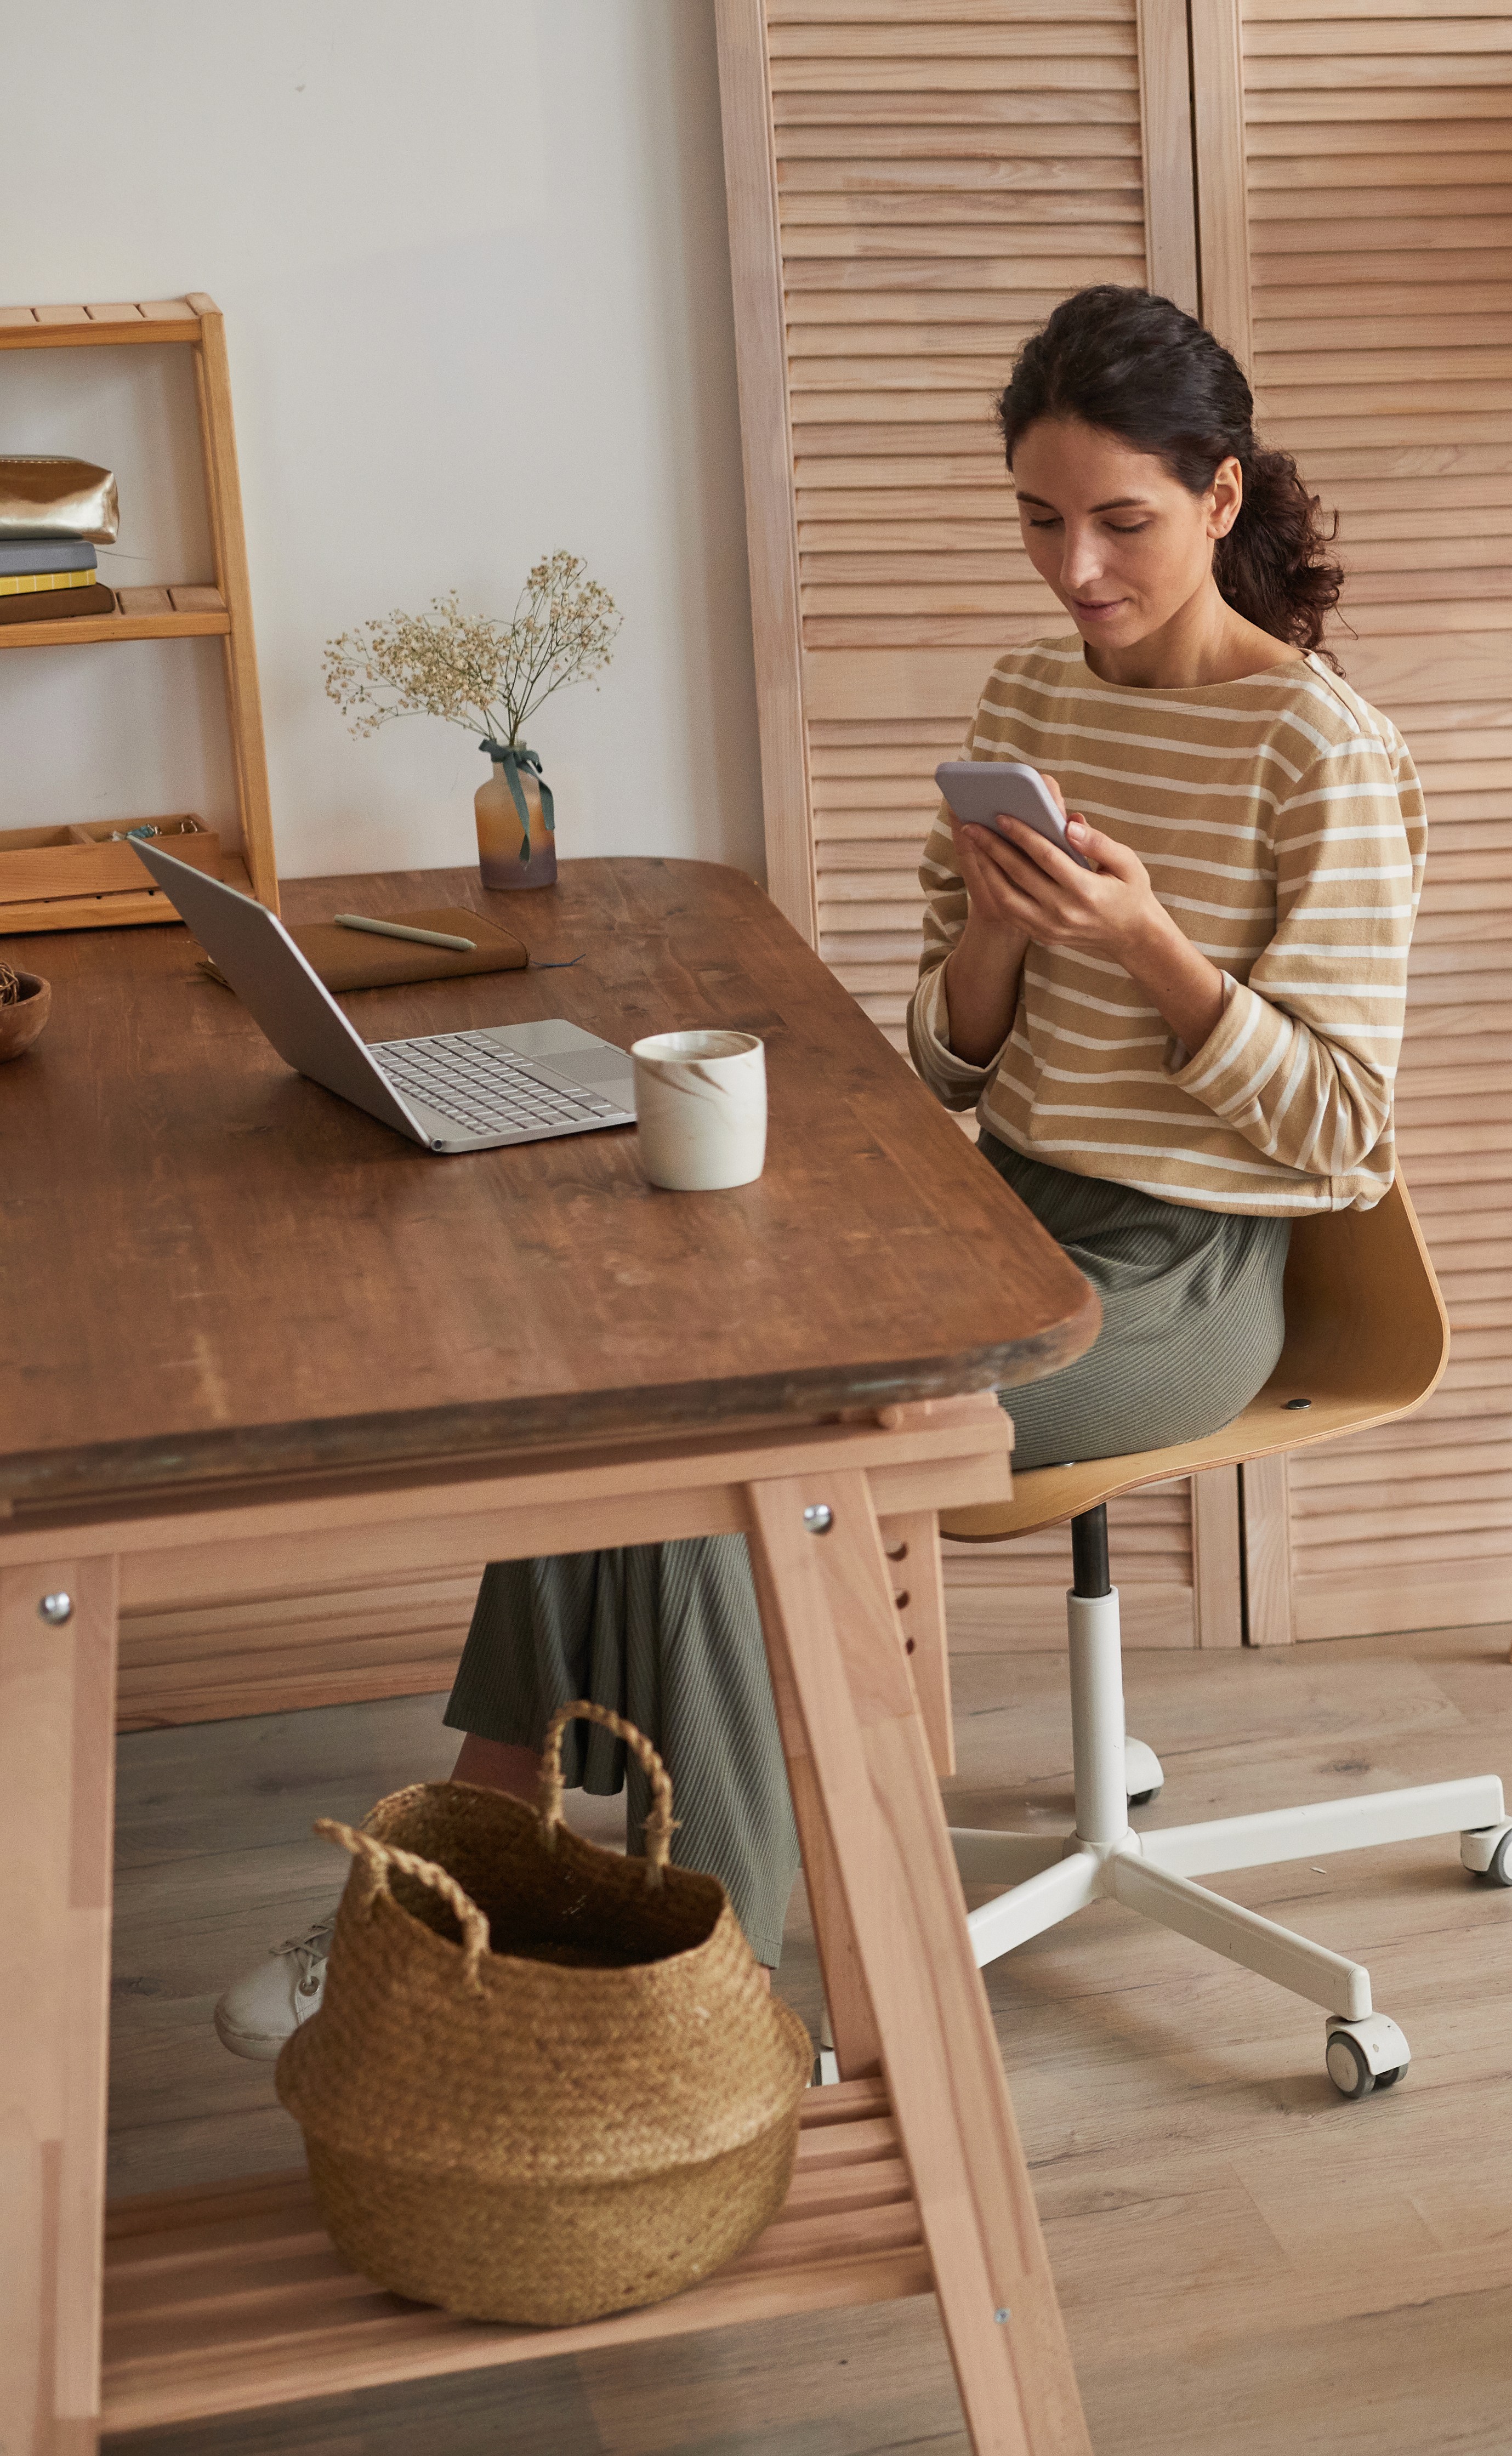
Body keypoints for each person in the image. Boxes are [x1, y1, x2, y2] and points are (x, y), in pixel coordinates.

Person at [217, 284, 1428, 2057]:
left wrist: (1153, 946)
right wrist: (1001, 940)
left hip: (1192, 1272)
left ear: (1220, 497)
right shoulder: (1029, 694)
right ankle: (459, 1895)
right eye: (1039, 520)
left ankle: (694, 2009)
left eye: (1120, 522)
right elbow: (945, 1062)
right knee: (639, 1395)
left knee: (741, 1473)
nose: (1075, 568)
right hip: (999, 1216)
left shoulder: (1322, 752)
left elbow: (1340, 1131)